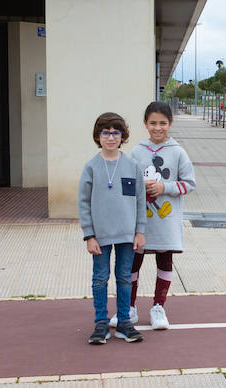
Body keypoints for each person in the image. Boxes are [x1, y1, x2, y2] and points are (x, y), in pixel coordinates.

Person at [123, 101, 196, 331]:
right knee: (132, 264)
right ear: (145, 124)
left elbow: (189, 184)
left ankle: (158, 307)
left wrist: (165, 188)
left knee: (164, 261)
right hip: (140, 222)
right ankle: (129, 307)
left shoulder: (178, 152)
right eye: (153, 123)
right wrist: (139, 186)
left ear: (170, 124)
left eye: (163, 123)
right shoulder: (136, 151)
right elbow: (126, 184)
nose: (158, 128)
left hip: (166, 222)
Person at [78, 112, 146, 345]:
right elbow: (83, 203)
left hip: (127, 234)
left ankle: (125, 322)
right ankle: (100, 323)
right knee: (100, 278)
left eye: (115, 133)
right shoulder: (91, 167)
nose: (110, 137)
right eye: (105, 133)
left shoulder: (132, 165)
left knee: (124, 277)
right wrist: (89, 235)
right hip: (100, 235)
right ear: (98, 136)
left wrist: (140, 231)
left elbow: (139, 200)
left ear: (122, 136)